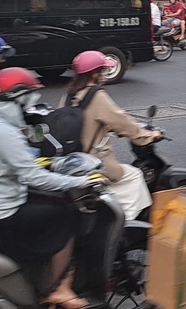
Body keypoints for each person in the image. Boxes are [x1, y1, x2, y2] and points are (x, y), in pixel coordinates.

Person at [0, 67, 101, 309]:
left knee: (43, 206)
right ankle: (58, 288)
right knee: (66, 215)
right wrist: (81, 181)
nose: (33, 105)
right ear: (18, 98)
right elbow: (34, 178)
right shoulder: (6, 133)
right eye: (31, 98)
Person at [62, 51, 162, 220]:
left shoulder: (69, 95)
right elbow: (123, 121)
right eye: (102, 70)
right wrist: (148, 135)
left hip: (72, 160)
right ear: (94, 74)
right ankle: (125, 224)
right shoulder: (96, 95)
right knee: (134, 176)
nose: (103, 74)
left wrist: (104, 127)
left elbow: (82, 122)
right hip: (94, 162)